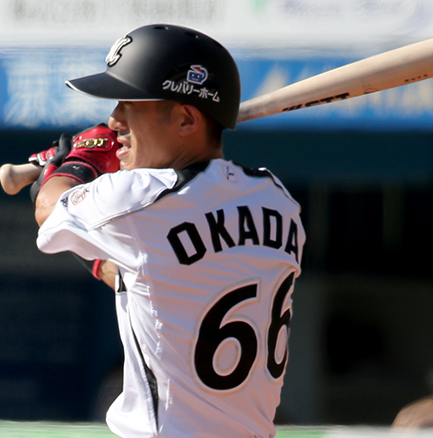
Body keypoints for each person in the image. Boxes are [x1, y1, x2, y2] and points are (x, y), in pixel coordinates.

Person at [30, 24, 306, 438]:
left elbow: (49, 206)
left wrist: (79, 161)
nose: (113, 120)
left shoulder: (141, 198)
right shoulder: (276, 198)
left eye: (130, 104)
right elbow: (154, 283)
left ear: (187, 119)